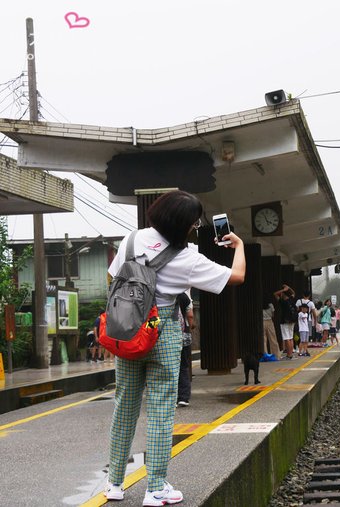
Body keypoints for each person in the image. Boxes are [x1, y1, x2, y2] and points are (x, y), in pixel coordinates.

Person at [104, 190, 245, 506]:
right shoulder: (187, 258)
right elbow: (237, 276)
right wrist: (239, 246)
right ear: (185, 225)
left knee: (124, 405)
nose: (196, 228)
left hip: (127, 330)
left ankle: (114, 483)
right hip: (164, 332)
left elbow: (111, 279)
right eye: (195, 223)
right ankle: (155, 488)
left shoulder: (131, 240)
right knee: (160, 409)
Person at [176, 291, 194, 407]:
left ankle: (172, 397)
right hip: (183, 336)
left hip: (167, 335)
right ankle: (183, 397)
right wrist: (191, 326)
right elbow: (190, 315)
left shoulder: (161, 292)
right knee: (183, 366)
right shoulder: (184, 296)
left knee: (171, 368)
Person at [274, 284, 296, 359]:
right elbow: (293, 293)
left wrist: (284, 289)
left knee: (287, 338)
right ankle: (291, 354)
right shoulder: (291, 299)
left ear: (283, 294)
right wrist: (289, 288)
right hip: (292, 321)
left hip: (285, 321)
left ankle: (289, 355)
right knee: (290, 338)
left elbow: (275, 294)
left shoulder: (282, 301)